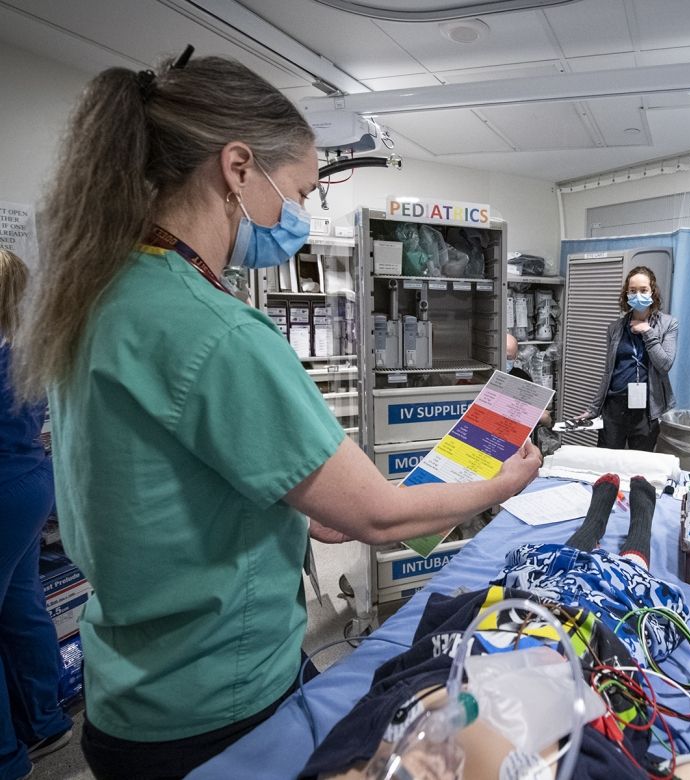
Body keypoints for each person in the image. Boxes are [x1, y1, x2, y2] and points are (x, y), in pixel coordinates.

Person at [8, 51, 540, 779]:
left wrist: (301, 513)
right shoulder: (215, 328)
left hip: (130, 696)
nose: (300, 216)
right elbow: (379, 515)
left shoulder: (106, 298)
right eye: (299, 192)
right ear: (237, 169)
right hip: (216, 708)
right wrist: (501, 485)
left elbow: (158, 486)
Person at [302, 475, 690, 779]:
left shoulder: (355, 757)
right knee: (626, 579)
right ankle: (640, 516)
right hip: (595, 639)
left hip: (491, 624)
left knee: (555, 564)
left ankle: (598, 510)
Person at [1, 249, 74, 780]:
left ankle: (5, 759)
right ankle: (45, 722)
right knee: (21, 607)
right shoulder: (22, 351)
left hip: (4, 490)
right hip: (30, 486)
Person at [580, 266, 678, 451]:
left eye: (643, 290)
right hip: (614, 407)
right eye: (632, 291)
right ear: (626, 294)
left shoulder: (668, 324)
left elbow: (664, 365)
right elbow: (608, 373)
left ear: (653, 291)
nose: (638, 295)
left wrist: (648, 332)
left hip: (646, 408)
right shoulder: (615, 328)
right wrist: (593, 408)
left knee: (639, 462)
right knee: (607, 460)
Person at [505, 333, 552, 428]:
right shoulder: (483, 378)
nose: (505, 361)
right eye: (502, 357)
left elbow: (542, 415)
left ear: (516, 356)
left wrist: (543, 417)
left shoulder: (521, 377)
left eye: (509, 358)